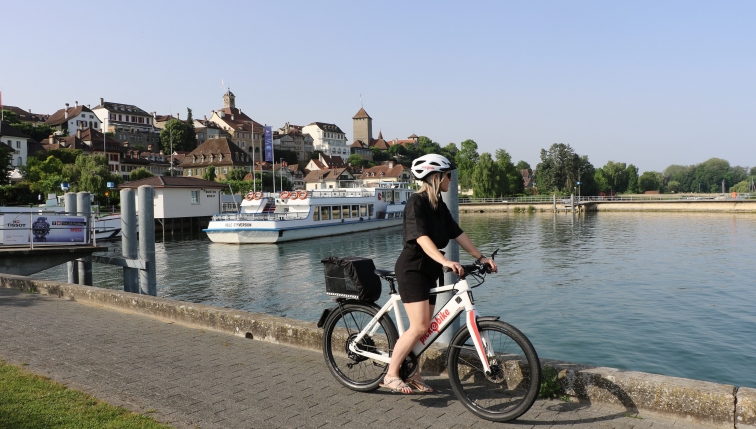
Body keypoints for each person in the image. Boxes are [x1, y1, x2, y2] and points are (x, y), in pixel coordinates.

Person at [381, 154, 498, 394]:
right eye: (448, 175)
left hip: (430, 270)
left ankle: (413, 374)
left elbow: (457, 233)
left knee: (427, 329)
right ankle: (391, 375)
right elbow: (422, 238)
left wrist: (481, 257)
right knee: (420, 325)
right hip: (412, 269)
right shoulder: (417, 203)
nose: (451, 180)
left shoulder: (438, 205)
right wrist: (445, 260)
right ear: (436, 177)